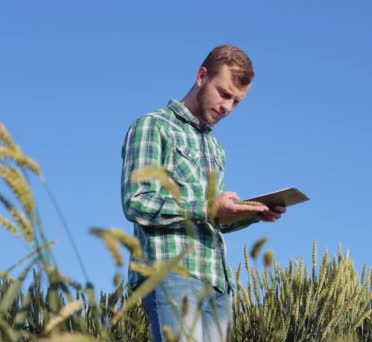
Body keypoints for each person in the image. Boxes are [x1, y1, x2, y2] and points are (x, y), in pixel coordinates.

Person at [120, 44, 286, 342]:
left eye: (237, 102)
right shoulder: (153, 126)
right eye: (223, 94)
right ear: (201, 76)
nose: (227, 107)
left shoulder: (215, 147)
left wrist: (253, 213)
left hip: (217, 283)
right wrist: (209, 207)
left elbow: (210, 218)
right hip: (173, 274)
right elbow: (137, 202)